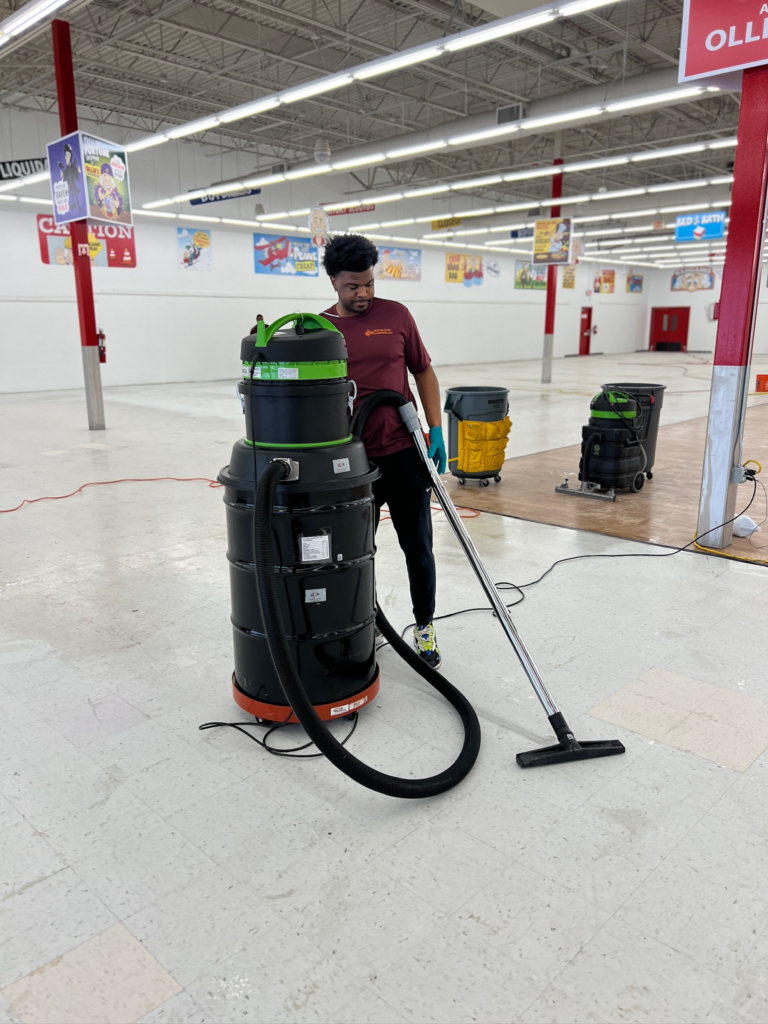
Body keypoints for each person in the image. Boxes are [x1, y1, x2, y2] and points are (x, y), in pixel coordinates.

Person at [321, 233, 447, 668]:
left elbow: (424, 371)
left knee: (419, 547)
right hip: (353, 463)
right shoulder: (320, 330)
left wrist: (435, 428)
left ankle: (425, 625)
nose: (363, 294)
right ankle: (367, 620)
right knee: (357, 550)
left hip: (404, 453)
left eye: (369, 283)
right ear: (333, 281)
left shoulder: (396, 315)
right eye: (352, 286)